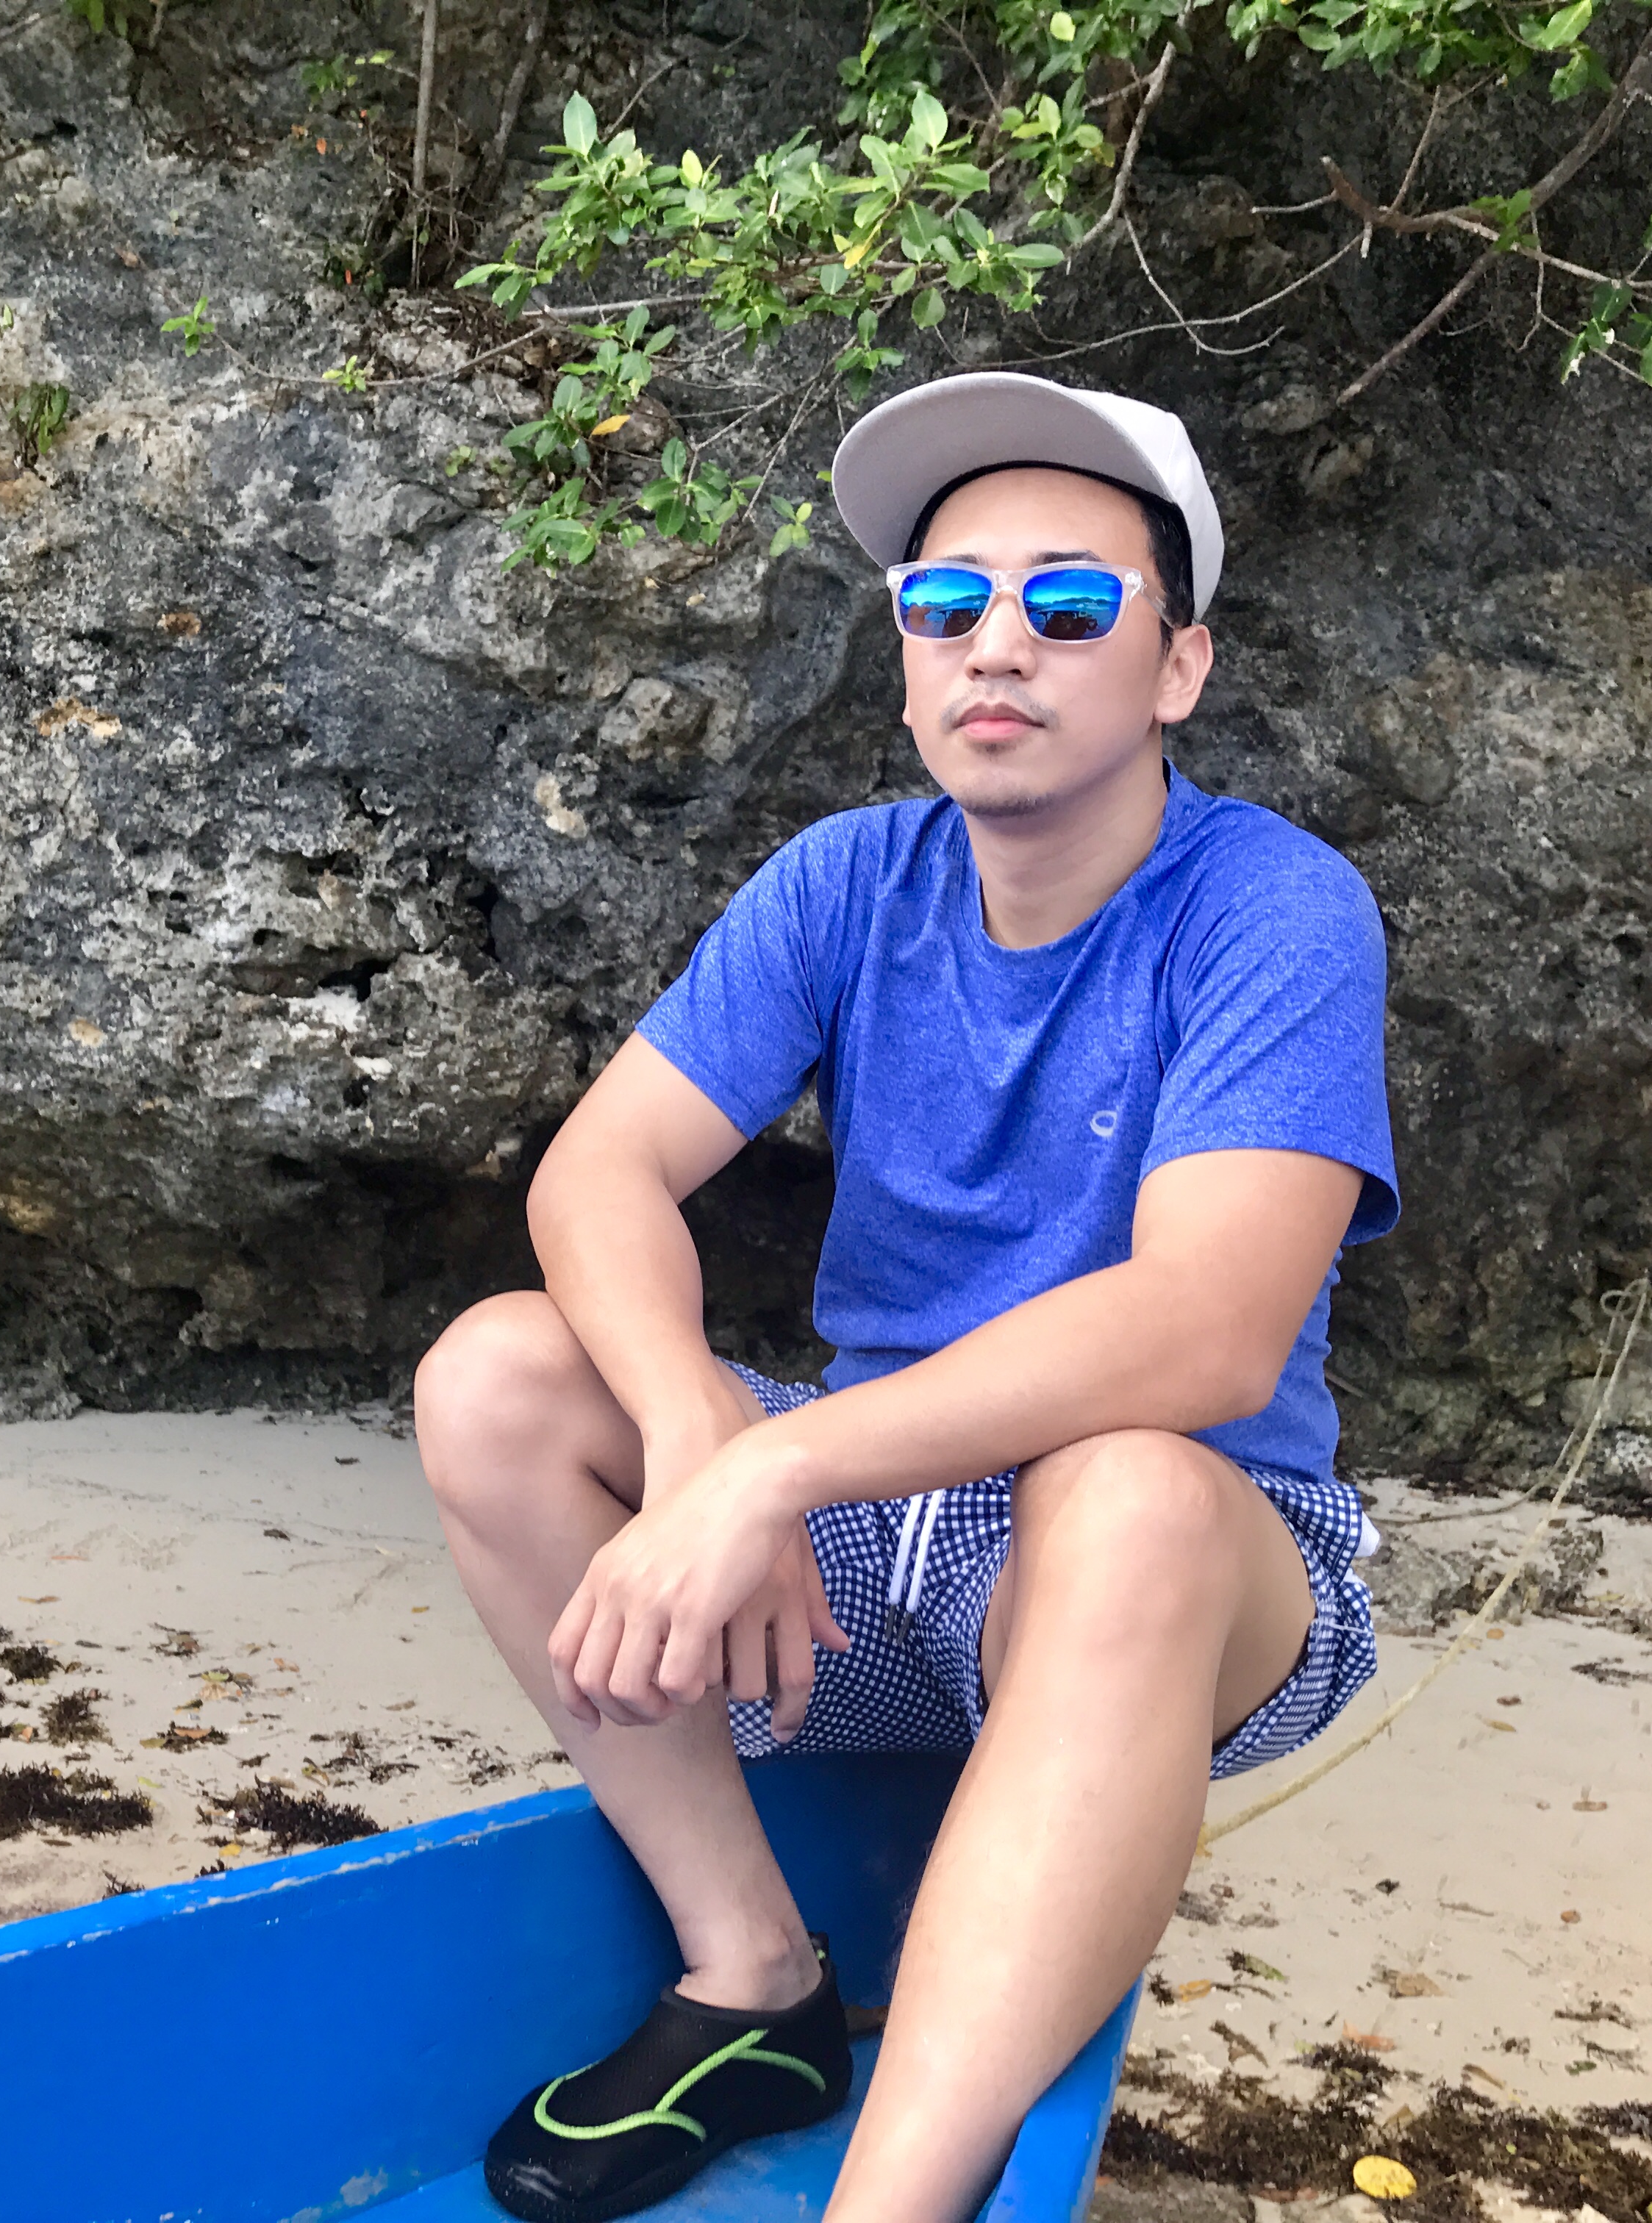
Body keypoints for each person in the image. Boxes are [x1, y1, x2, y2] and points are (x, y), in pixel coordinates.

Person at [414, 370, 1399, 2223]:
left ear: (1178, 665)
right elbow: (595, 1173)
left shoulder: (1274, 909)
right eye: (947, 603)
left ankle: (896, 2198)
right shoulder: (846, 882)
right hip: (878, 1544)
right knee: (498, 1379)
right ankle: (752, 1983)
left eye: (1072, 603)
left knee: (1128, 1492)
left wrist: (776, 1470)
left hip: (1181, 1572)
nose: (997, 645)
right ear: (906, 661)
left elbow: (1208, 1331)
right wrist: (701, 1430)